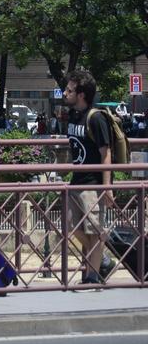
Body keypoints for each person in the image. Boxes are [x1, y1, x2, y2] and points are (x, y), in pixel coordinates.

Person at [63, 69, 113, 289]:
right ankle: (101, 259)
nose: (65, 93)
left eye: (70, 90)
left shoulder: (97, 118)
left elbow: (106, 153)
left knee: (94, 231)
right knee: (71, 227)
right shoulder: (74, 116)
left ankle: (92, 278)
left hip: (92, 183)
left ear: (81, 94)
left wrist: (107, 187)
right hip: (77, 180)